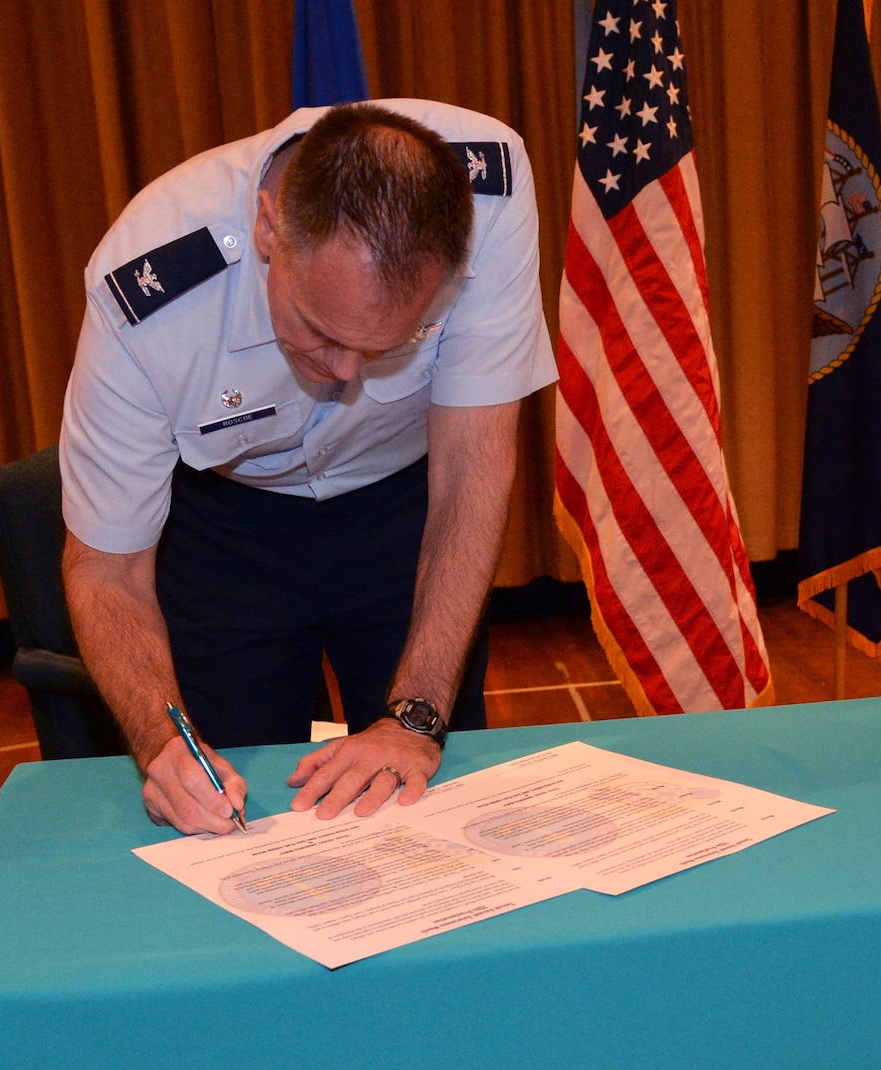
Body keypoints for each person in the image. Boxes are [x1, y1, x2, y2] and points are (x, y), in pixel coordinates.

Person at [60, 100, 554, 836]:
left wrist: (414, 715)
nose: (345, 374)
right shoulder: (146, 292)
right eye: (320, 331)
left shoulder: (491, 192)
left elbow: (472, 468)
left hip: (405, 509)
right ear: (268, 228)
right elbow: (106, 571)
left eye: (391, 344)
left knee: (431, 807)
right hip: (228, 529)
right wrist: (163, 745)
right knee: (232, 815)